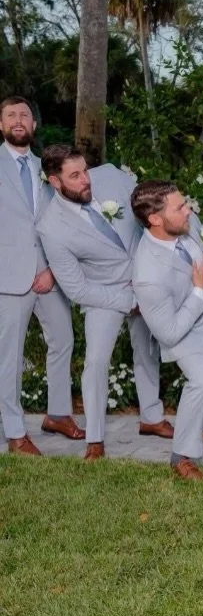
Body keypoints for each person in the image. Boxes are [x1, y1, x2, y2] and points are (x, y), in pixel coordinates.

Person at [37, 146, 172, 460]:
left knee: (148, 349)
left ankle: (152, 418)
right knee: (96, 362)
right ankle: (95, 440)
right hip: (103, 292)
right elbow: (76, 289)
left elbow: (148, 214)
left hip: (144, 276)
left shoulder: (110, 176)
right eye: (75, 175)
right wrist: (127, 300)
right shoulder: (51, 227)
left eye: (84, 170)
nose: (86, 180)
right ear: (55, 182)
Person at [131, 180, 203, 480]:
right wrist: (199, 291)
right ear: (155, 219)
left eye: (185, 203)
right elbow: (169, 333)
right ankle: (181, 456)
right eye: (180, 207)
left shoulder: (187, 222)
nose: (189, 210)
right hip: (183, 327)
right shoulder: (147, 273)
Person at [0, 97, 82, 455]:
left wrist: (50, 267)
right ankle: (16, 432)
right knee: (9, 357)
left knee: (63, 340)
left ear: (34, 125)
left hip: (48, 273)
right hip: (8, 276)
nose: (18, 120)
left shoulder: (45, 168)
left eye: (25, 115)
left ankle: (58, 413)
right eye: (10, 115)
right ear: (1, 124)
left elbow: (58, 220)